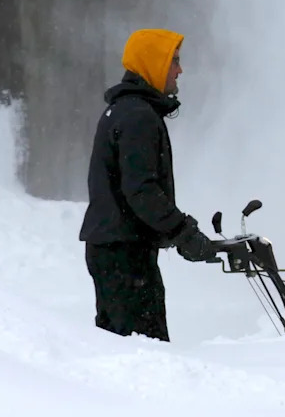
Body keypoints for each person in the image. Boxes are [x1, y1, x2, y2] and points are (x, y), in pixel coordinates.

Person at [79, 28, 216, 342]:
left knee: (124, 347)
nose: (180, 71)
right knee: (143, 353)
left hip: (118, 250)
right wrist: (183, 232)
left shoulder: (126, 111)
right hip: (123, 255)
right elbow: (140, 189)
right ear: (154, 63)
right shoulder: (137, 116)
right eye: (174, 62)